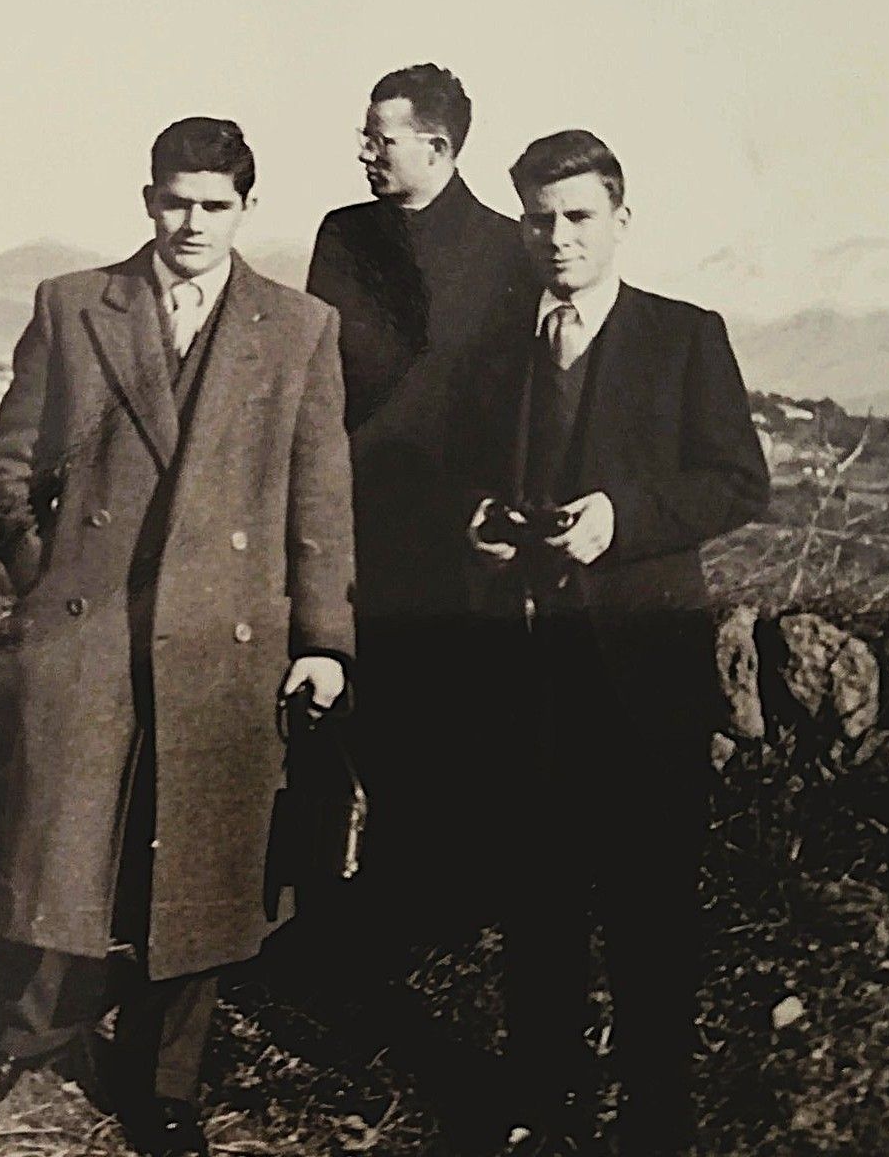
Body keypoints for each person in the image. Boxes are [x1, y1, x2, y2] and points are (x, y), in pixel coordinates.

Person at [0, 117, 356, 1157]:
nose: (192, 223)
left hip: (226, 638)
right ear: (147, 200)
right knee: (65, 837)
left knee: (205, 861)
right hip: (92, 624)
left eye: (215, 205)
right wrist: (45, 583)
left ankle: (167, 1080)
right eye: (175, 201)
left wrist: (323, 639)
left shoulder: (300, 328)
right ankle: (27, 1031)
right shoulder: (77, 304)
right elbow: (14, 459)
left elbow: (321, 499)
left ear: (247, 212)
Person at [443, 129, 769, 1155]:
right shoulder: (495, 349)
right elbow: (452, 472)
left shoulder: (684, 336)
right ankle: (546, 1102)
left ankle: (657, 1117)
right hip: (522, 670)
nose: (558, 239)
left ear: (622, 221)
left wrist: (620, 519)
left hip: (643, 678)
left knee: (650, 909)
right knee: (535, 901)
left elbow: (737, 481)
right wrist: (480, 525)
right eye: (539, 219)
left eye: (578, 217)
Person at [292, 64, 532, 1083]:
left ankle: (397, 956)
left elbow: (519, 396)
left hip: (456, 546)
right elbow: (319, 377)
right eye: (366, 137)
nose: (365, 152)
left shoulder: (507, 252)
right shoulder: (343, 236)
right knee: (341, 736)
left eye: (382, 138)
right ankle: (317, 944)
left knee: (437, 751)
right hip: (349, 524)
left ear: (438, 147)